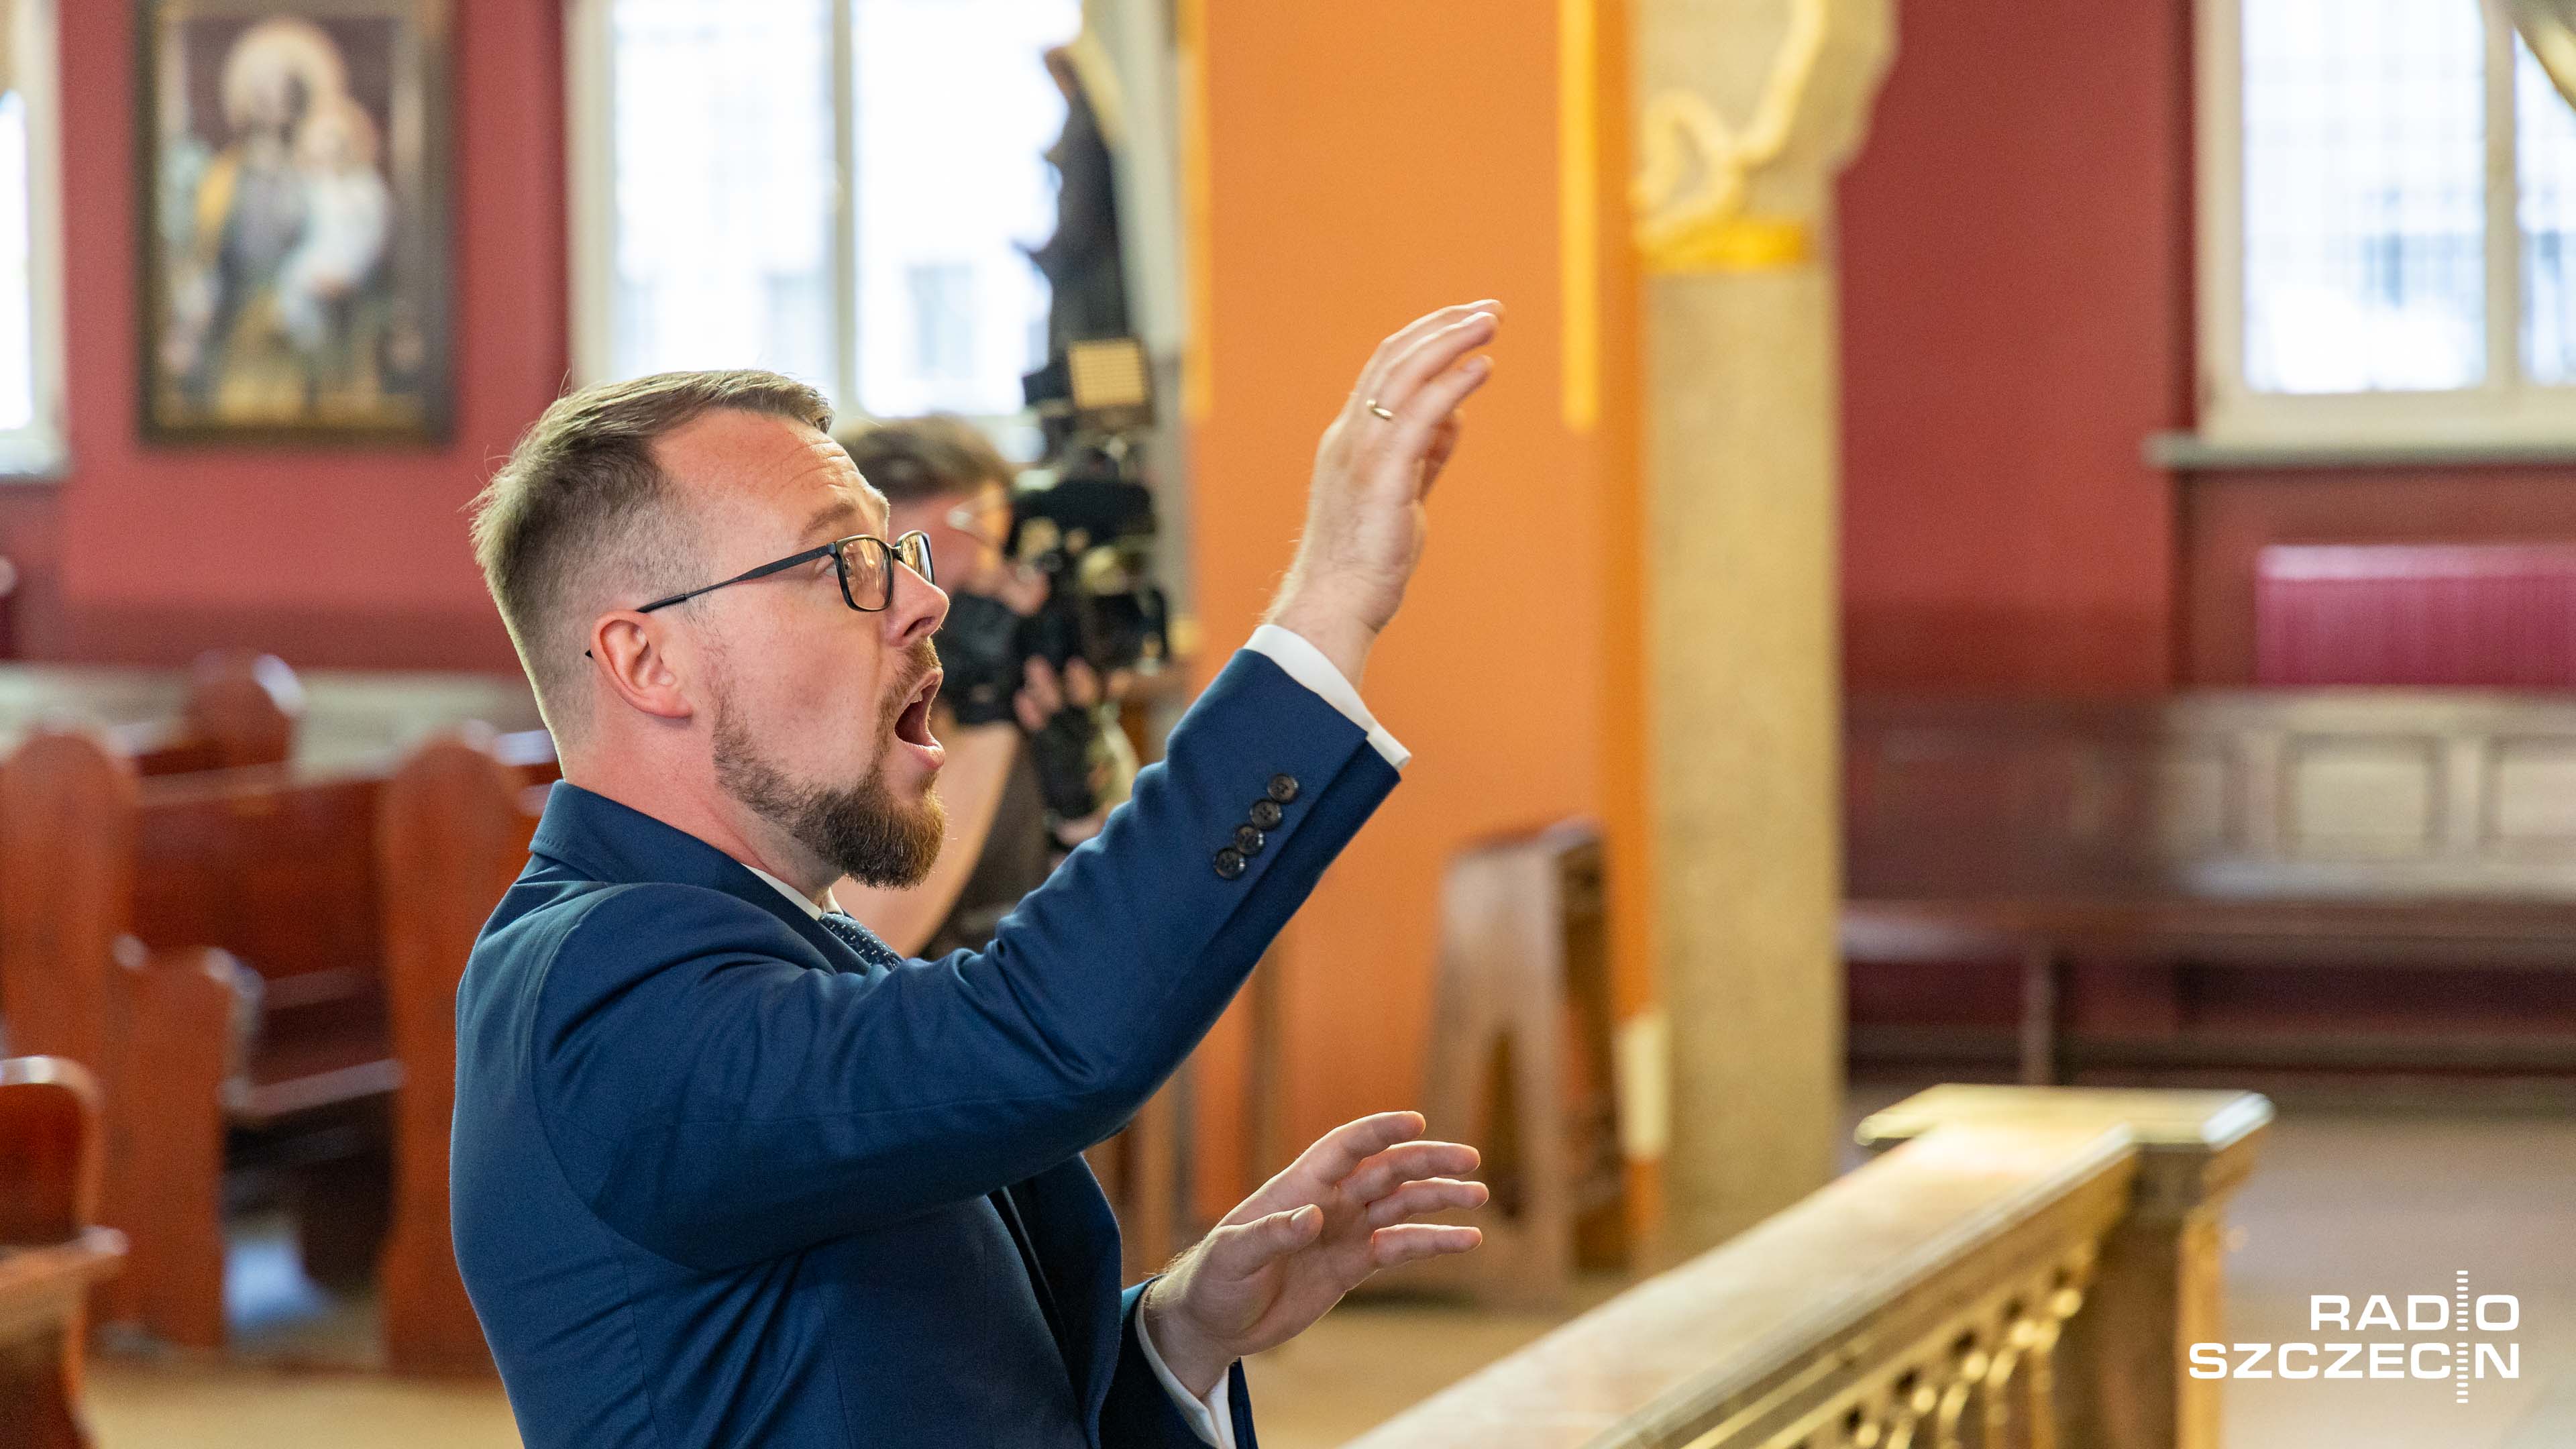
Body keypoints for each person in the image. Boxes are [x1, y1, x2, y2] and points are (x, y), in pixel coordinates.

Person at [453, 301, 1504, 1448]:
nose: (927, 599)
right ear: (648, 660)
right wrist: (1332, 597)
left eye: (895, 553)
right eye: (844, 564)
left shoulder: (800, 940)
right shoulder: (600, 990)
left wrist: (1180, 1336)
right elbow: (1042, 1036)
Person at [830, 413, 1093, 957]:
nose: (934, 614)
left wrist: (1078, 807)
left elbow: (1106, 936)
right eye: (906, 570)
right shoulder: (817, 732)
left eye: (983, 581)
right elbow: (858, 946)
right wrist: (987, 718)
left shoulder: (1039, 692)